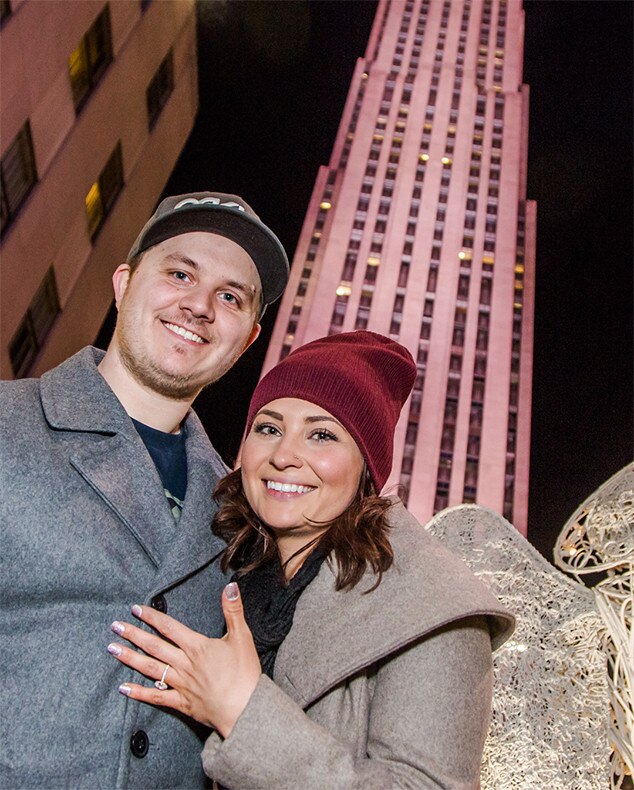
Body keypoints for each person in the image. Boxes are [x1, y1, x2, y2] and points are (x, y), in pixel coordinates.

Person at [107, 331, 515, 789]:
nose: (284, 455)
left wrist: (243, 710)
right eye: (269, 428)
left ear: (365, 466)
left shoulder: (431, 607)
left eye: (321, 435)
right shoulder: (219, 567)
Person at [0, 192, 289, 789]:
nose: (200, 305)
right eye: (180, 272)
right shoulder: (9, 423)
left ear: (248, 338)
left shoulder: (247, 516)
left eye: (230, 297)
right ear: (125, 282)